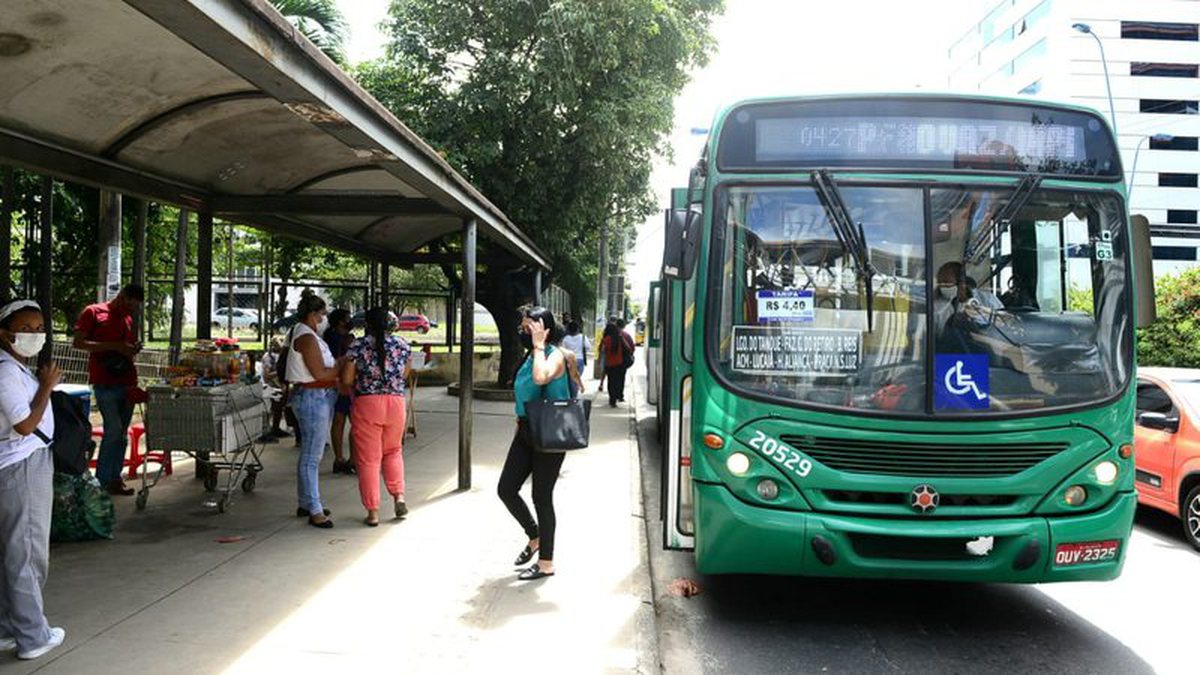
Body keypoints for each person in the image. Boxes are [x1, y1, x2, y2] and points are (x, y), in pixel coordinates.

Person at [0, 300, 66, 660]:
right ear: (5, 333)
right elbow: (24, 424)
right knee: (26, 552)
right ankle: (33, 636)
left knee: (12, 551)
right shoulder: (7, 372)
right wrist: (46, 387)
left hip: (19, 464)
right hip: (21, 466)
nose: (35, 335)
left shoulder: (14, 367)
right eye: (26, 328)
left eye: (40, 328)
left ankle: (8, 628)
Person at [498, 306, 572, 581]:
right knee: (506, 488)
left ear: (546, 331)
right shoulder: (531, 356)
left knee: (541, 496)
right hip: (526, 430)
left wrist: (540, 346)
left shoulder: (554, 357)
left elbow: (542, 378)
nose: (524, 330)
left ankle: (546, 563)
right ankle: (535, 536)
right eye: (523, 326)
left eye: (530, 326)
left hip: (550, 434)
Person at [341, 308, 411, 527]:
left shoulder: (358, 346)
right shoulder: (402, 345)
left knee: (369, 459)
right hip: (395, 403)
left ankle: (373, 513)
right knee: (393, 451)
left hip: (368, 403)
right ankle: (398, 496)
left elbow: (347, 378)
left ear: (367, 324)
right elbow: (405, 374)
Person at [73, 284, 143, 496]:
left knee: (121, 434)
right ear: (121, 297)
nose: (130, 311)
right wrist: (113, 346)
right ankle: (102, 481)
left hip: (127, 381)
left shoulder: (128, 319)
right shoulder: (93, 312)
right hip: (105, 382)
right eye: (129, 305)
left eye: (134, 308)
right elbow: (78, 343)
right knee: (112, 430)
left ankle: (115, 478)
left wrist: (131, 349)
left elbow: (125, 349)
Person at [288, 295, 343, 528]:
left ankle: (306, 502)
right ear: (313, 314)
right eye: (323, 314)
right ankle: (315, 509)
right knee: (312, 456)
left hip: (318, 396)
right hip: (313, 397)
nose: (324, 319)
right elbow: (320, 373)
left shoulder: (307, 334)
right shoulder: (306, 337)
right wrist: (342, 365)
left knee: (310, 454)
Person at [323, 309, 356, 475]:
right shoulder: (333, 339)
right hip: (341, 383)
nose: (349, 321)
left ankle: (346, 459)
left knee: (342, 420)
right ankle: (344, 459)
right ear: (340, 321)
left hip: (342, 382)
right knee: (345, 420)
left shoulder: (340, 337)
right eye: (347, 318)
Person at [259, 336, 290, 441]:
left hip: (278, 385)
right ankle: (269, 429)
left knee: (279, 407)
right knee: (272, 408)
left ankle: (275, 428)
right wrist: (280, 371)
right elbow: (266, 375)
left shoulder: (279, 356)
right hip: (269, 386)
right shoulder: (268, 357)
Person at [600, 319, 634, 407]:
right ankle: (618, 395)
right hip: (619, 362)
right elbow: (629, 348)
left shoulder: (606, 339)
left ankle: (612, 399)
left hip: (609, 363)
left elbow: (602, 350)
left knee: (611, 381)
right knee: (618, 380)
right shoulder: (620, 337)